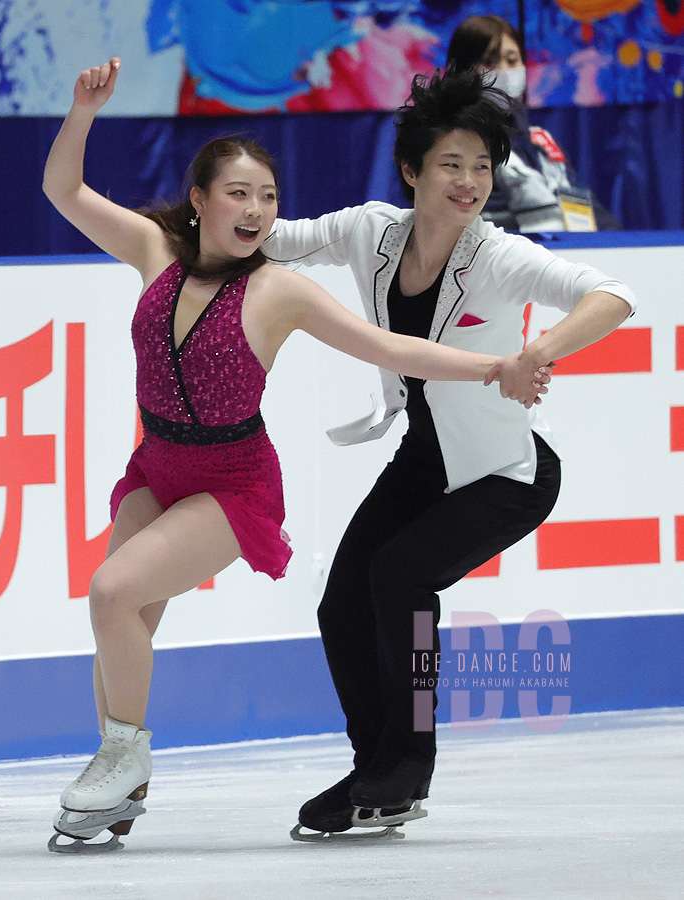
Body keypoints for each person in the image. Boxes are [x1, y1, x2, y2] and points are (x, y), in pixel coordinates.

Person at [41, 59, 550, 852]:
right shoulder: (153, 250)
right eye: (238, 193)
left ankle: (124, 757)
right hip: (156, 465)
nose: (256, 210)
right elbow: (64, 192)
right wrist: (82, 111)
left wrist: (497, 365)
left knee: (111, 591)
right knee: (122, 616)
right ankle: (121, 771)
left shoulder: (277, 289)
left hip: (230, 482)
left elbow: (392, 347)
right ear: (199, 199)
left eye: (268, 196)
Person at [263, 65, 635, 840]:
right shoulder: (370, 231)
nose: (468, 182)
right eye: (450, 164)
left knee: (400, 577)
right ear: (411, 170)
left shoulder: (496, 255)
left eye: (480, 166)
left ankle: (407, 762)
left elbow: (611, 294)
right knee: (341, 604)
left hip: (506, 475)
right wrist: (187, 222)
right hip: (424, 459)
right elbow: (272, 241)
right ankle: (376, 768)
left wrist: (539, 351)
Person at [446, 15, 621, 233]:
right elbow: (477, 225)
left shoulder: (540, 140)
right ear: (463, 70)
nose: (504, 71)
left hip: (573, 247)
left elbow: (583, 204)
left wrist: (619, 241)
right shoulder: (455, 142)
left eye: (512, 61)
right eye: (490, 62)